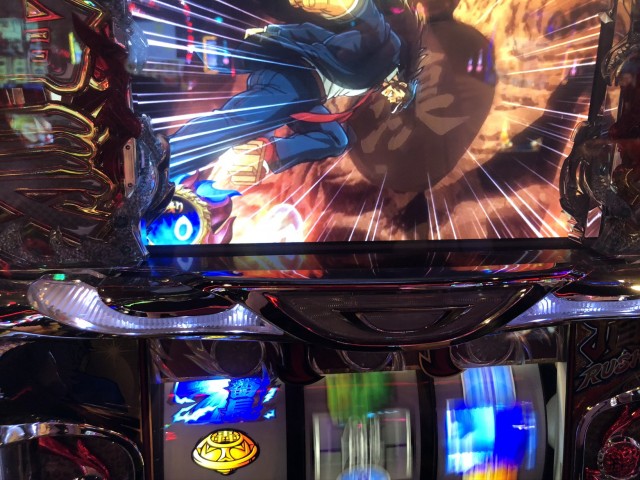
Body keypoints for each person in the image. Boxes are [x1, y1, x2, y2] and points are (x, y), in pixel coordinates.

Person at [168, 0, 421, 186]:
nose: (392, 99)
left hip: (304, 91)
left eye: (395, 102)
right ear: (402, 84)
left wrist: (270, 154)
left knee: (337, 140)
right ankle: (167, 159)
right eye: (398, 97)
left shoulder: (375, 78)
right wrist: (343, 6)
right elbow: (371, 22)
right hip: (296, 77)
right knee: (235, 119)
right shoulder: (387, 50)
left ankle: (267, 153)